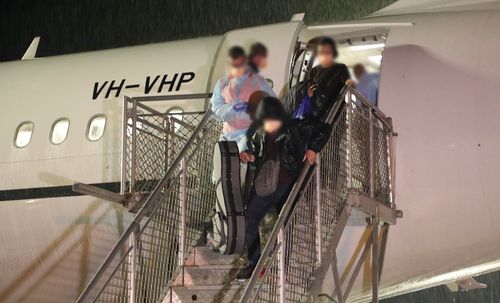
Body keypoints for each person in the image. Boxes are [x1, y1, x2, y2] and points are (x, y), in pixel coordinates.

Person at [236, 96, 330, 280]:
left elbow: (323, 129)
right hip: (266, 185)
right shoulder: (260, 134)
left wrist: (312, 148)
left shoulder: (294, 126)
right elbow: (261, 156)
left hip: (288, 184)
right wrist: (251, 157)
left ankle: (282, 265)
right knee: (249, 219)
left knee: (285, 224)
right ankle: (255, 263)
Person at [210, 46, 275, 252]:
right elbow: (215, 109)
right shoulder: (222, 83)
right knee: (219, 178)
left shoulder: (258, 82)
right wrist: (232, 109)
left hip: (248, 135)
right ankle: (226, 222)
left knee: (241, 175)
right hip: (228, 136)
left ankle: (241, 209)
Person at [283, 37, 351, 120]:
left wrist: (351, 84)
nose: (325, 54)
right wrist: (309, 94)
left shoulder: (341, 68)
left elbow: (348, 82)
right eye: (322, 52)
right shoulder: (314, 70)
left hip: (335, 110)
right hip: (318, 111)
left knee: (333, 129)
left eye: (328, 52)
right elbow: (310, 88)